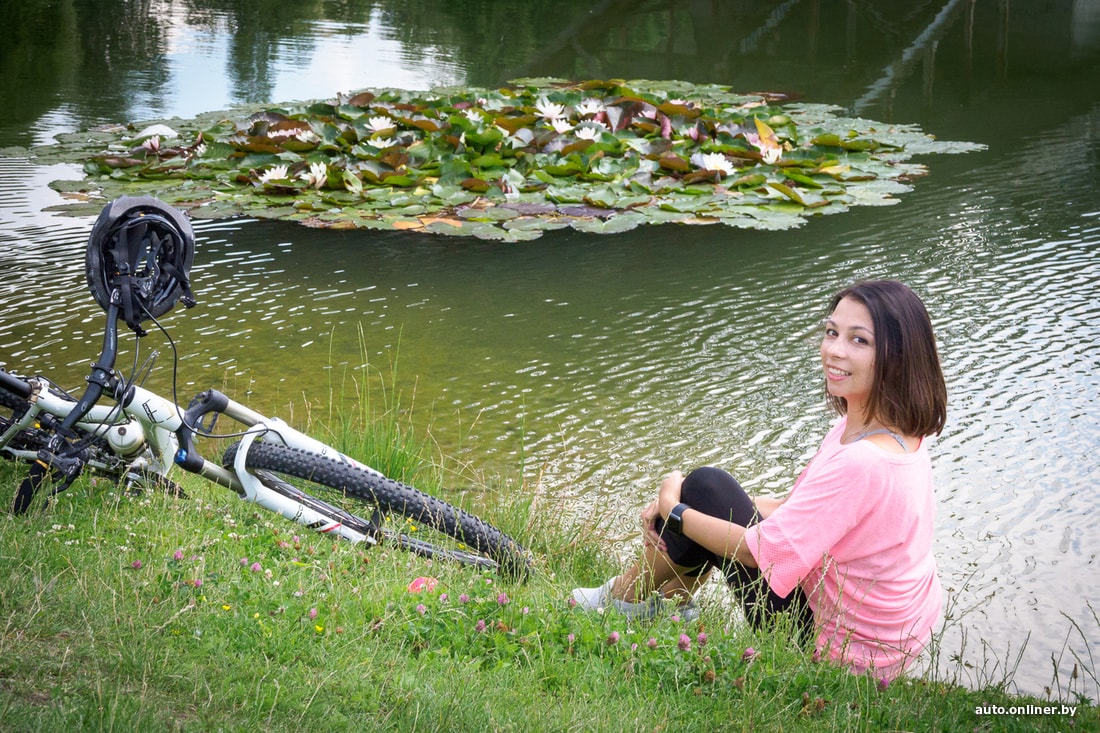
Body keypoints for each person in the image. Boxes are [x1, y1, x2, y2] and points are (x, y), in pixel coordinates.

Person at [572, 280, 947, 682]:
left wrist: (674, 508)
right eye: (831, 332)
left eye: (859, 340)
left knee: (705, 487)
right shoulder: (891, 433)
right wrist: (694, 504)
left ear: (897, 356)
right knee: (705, 493)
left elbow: (761, 553)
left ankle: (623, 599)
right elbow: (795, 510)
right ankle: (664, 606)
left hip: (836, 654)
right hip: (885, 641)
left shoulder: (864, 461)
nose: (835, 350)